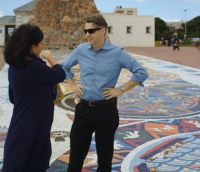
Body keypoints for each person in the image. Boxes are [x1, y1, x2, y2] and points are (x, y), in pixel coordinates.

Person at [61, 14, 148, 172]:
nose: (87, 34)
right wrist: (72, 84)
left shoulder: (117, 52)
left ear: (103, 31)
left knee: (105, 159)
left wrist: (120, 90)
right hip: (84, 109)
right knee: (75, 158)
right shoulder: (81, 50)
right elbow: (63, 67)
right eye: (85, 31)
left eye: (91, 31)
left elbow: (141, 72)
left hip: (106, 111)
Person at [2, 24, 66, 172]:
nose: (42, 47)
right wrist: (50, 57)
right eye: (41, 44)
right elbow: (59, 74)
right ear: (33, 46)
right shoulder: (34, 66)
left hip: (20, 124)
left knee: (18, 160)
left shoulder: (14, 66)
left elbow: (13, 97)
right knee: (32, 162)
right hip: (34, 127)